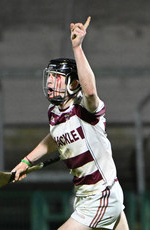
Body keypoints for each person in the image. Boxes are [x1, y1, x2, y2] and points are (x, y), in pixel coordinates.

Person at [11, 16, 129, 230]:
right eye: (49, 76)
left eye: (56, 78)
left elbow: (91, 90)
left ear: (73, 84)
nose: (49, 82)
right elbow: (55, 137)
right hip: (87, 196)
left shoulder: (85, 109)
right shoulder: (54, 112)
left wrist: (77, 48)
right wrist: (27, 161)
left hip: (101, 195)